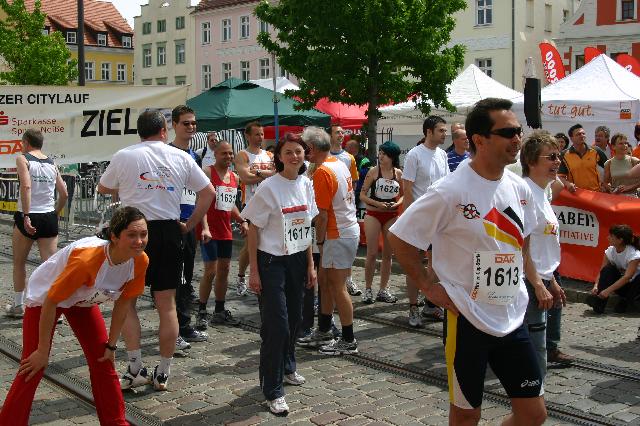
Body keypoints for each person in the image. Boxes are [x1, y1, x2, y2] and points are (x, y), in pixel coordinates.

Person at [389, 98, 552, 426]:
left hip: (511, 316)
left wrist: (535, 281)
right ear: (480, 139)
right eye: (508, 132)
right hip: (466, 318)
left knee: (533, 414)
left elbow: (524, 239)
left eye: (518, 131)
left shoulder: (519, 187)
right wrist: (427, 286)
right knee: (466, 416)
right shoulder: (450, 190)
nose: (517, 139)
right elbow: (400, 238)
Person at [98, 110, 215, 391]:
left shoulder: (125, 155)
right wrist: (189, 224)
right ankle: (163, 372)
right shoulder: (180, 156)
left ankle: (136, 367)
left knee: (127, 302)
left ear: (139, 132)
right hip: (169, 231)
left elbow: (103, 187)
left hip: (134, 232)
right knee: (167, 305)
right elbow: (208, 192)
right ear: (164, 130)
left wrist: (129, 187)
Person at [0, 207, 149, 426]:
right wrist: (42, 350)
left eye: (143, 234)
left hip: (82, 300)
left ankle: (116, 423)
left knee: (103, 360)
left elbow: (123, 304)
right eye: (132, 235)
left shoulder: (140, 261)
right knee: (33, 365)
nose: (139, 241)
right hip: (46, 299)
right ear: (115, 237)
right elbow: (52, 301)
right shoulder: (87, 260)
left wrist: (111, 346)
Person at [242, 133, 318, 416]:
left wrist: (310, 265)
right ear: (279, 157)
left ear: (305, 154)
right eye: (288, 152)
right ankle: (273, 390)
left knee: (296, 319)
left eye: (298, 151)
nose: (294, 156)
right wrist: (254, 271)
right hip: (271, 262)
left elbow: (305, 228)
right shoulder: (269, 187)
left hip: (298, 259)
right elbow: (253, 229)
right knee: (277, 326)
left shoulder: (306, 184)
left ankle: (288, 366)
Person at [297, 126, 360, 355]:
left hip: (336, 233)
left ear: (311, 149)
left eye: (304, 149)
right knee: (325, 281)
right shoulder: (337, 163)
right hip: (345, 230)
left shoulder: (323, 171)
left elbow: (322, 215)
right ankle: (324, 329)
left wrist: (321, 243)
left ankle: (348, 339)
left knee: (336, 286)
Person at [520, 131, 570, 378]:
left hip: (541, 279)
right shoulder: (525, 193)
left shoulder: (542, 191)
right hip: (528, 282)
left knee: (535, 348)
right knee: (533, 350)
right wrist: (539, 284)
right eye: (551, 157)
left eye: (558, 156)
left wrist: (551, 281)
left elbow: (543, 244)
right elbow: (522, 248)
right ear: (531, 161)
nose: (557, 161)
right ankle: (533, 394)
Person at [8, 129, 68, 318]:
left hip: (29, 214)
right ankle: (54, 309)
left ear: (26, 142)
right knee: (51, 266)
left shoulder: (23, 159)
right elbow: (64, 193)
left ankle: (19, 306)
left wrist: (26, 215)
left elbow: (26, 186)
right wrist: (56, 212)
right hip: (48, 216)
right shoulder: (51, 162)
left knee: (19, 263)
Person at [402, 115, 450, 327]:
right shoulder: (415, 154)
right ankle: (413, 306)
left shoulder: (442, 155)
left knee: (437, 263)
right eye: (441, 130)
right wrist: (409, 219)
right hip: (419, 218)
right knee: (415, 264)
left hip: (438, 218)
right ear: (429, 132)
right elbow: (407, 188)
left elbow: (447, 185)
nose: (445, 134)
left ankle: (430, 303)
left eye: (445, 130)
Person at [168, 105, 209, 348]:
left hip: (190, 223)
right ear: (174, 125)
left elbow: (201, 193)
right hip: (171, 223)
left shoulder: (195, 156)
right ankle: (175, 327)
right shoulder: (166, 152)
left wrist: (203, 225)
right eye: (186, 123)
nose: (191, 127)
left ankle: (183, 324)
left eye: (194, 123)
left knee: (186, 277)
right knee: (172, 278)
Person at [196, 140, 246, 330]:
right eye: (224, 153)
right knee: (210, 271)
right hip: (209, 229)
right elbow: (201, 202)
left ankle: (219, 310)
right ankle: (201, 311)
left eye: (231, 153)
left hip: (225, 230)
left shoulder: (234, 177)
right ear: (215, 154)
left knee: (224, 269)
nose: (228, 156)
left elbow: (230, 204)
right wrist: (205, 227)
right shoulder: (207, 173)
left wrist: (241, 220)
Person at [358, 141, 403, 304]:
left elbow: (404, 194)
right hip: (373, 214)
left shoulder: (398, 173)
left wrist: (397, 204)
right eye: (380, 153)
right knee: (371, 253)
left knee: (387, 255)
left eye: (384, 154)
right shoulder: (373, 171)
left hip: (391, 215)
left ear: (392, 157)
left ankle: (383, 289)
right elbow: (362, 195)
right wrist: (378, 204)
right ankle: (368, 289)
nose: (380, 156)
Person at [234, 122, 275, 296]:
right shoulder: (243, 155)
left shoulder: (269, 155)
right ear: (248, 136)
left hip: (270, 204)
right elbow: (245, 178)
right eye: (257, 134)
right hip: (251, 204)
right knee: (251, 244)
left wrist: (257, 173)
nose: (260, 137)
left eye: (262, 134)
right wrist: (266, 175)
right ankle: (241, 276)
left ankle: (265, 275)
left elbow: (277, 175)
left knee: (266, 242)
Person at [327, 124, 361, 296]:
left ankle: (349, 279)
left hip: (345, 209)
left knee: (348, 247)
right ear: (330, 136)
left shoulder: (349, 158)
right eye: (337, 132)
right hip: (328, 209)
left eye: (342, 132)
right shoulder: (324, 156)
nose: (341, 135)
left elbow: (353, 182)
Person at [587, 224, 640, 314]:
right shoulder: (610, 251)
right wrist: (596, 286)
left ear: (620, 240)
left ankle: (626, 301)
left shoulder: (634, 254)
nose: (608, 238)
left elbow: (627, 277)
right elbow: (602, 271)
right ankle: (599, 303)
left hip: (635, 287)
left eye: (611, 236)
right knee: (608, 269)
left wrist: (608, 291)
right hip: (621, 286)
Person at [558, 123, 607, 192]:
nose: (582, 136)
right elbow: (560, 176)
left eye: (583, 133)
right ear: (571, 138)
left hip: (595, 193)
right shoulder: (564, 155)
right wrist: (567, 184)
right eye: (578, 134)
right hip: (576, 194)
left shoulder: (596, 150)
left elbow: (609, 167)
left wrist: (605, 183)